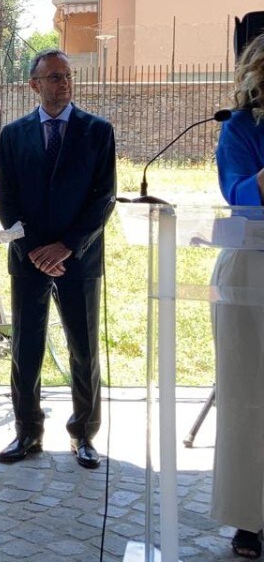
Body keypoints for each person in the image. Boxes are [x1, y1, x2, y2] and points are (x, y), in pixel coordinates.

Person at [0, 49, 115, 469]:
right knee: (26, 348)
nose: (62, 83)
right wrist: (32, 250)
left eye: (66, 76)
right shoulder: (13, 134)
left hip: (78, 258)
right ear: (34, 85)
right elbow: (6, 201)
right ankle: (27, 431)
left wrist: (67, 246)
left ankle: (83, 432)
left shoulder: (97, 131)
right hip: (28, 259)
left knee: (84, 348)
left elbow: (104, 198)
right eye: (53, 77)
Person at [212, 32, 264, 559]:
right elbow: (239, 193)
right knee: (247, 398)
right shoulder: (239, 129)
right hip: (252, 270)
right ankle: (250, 517)